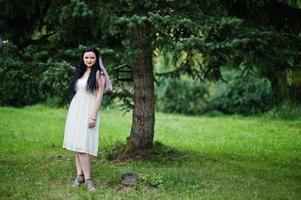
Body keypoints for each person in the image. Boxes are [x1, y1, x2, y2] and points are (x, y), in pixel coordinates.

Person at [63, 47, 105, 191]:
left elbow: (99, 96)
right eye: (86, 57)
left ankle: (88, 179)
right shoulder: (80, 72)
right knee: (77, 144)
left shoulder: (99, 74)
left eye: (92, 58)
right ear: (83, 58)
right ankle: (79, 176)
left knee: (83, 145)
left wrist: (92, 116)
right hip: (76, 109)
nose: (89, 60)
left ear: (96, 58)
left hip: (88, 110)